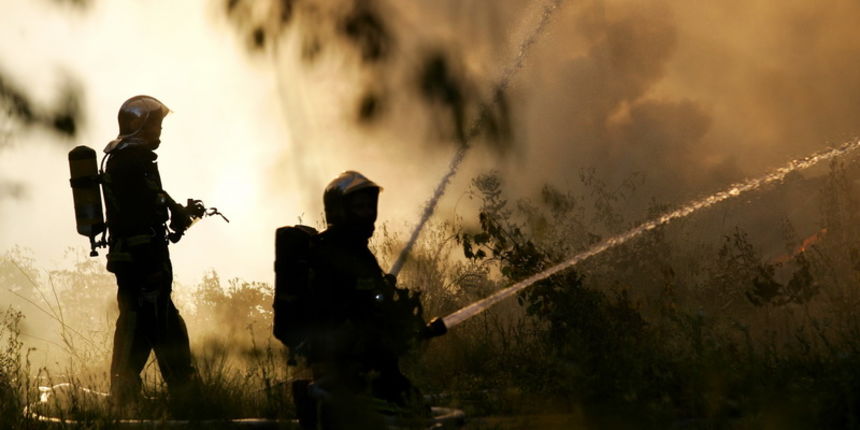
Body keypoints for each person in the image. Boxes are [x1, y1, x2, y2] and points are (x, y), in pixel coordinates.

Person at [277, 171, 445, 429]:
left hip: (370, 371)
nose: (367, 213)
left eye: (369, 206)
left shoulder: (357, 252)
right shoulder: (329, 254)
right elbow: (343, 318)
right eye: (358, 207)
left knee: (416, 412)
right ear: (339, 210)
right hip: (348, 377)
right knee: (412, 417)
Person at [100, 95, 201, 405]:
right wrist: (174, 214)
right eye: (155, 123)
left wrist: (177, 213)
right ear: (138, 124)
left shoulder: (130, 159)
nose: (160, 130)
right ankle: (128, 398)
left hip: (142, 259)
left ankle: (183, 393)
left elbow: (154, 202)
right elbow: (148, 207)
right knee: (143, 325)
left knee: (160, 324)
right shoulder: (130, 161)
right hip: (142, 262)